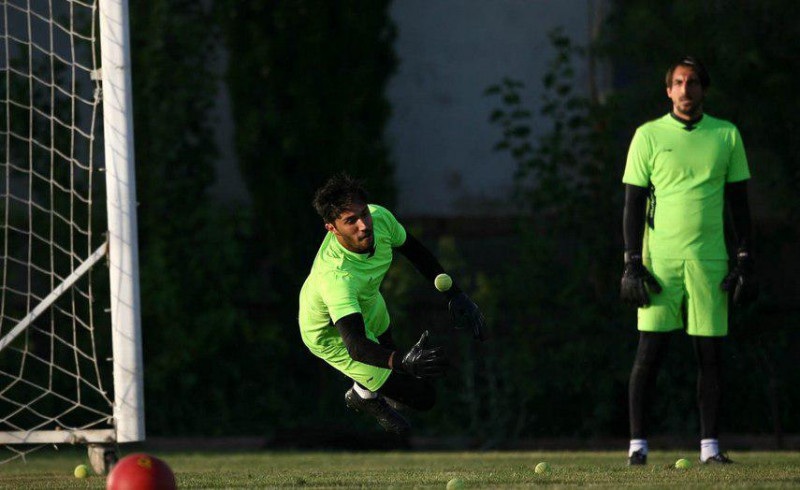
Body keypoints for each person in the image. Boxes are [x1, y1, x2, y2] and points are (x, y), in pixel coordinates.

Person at [620, 56, 757, 465]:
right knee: (649, 354)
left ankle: (709, 448)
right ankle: (637, 446)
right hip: (659, 263)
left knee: (710, 356)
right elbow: (632, 203)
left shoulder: (726, 135)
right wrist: (631, 262)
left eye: (693, 82)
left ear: (703, 89)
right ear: (668, 90)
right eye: (678, 82)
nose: (685, 89)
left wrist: (745, 258)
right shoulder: (648, 135)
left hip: (709, 260)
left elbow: (739, 204)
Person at [298, 173, 486, 434]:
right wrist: (403, 362)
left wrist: (455, 294)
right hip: (331, 334)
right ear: (332, 228)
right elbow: (356, 346)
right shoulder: (336, 278)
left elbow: (415, 251)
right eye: (351, 221)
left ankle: (369, 386)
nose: (364, 225)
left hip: (369, 302)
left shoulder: (380, 218)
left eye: (364, 213)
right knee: (423, 397)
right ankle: (363, 395)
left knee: (400, 388)